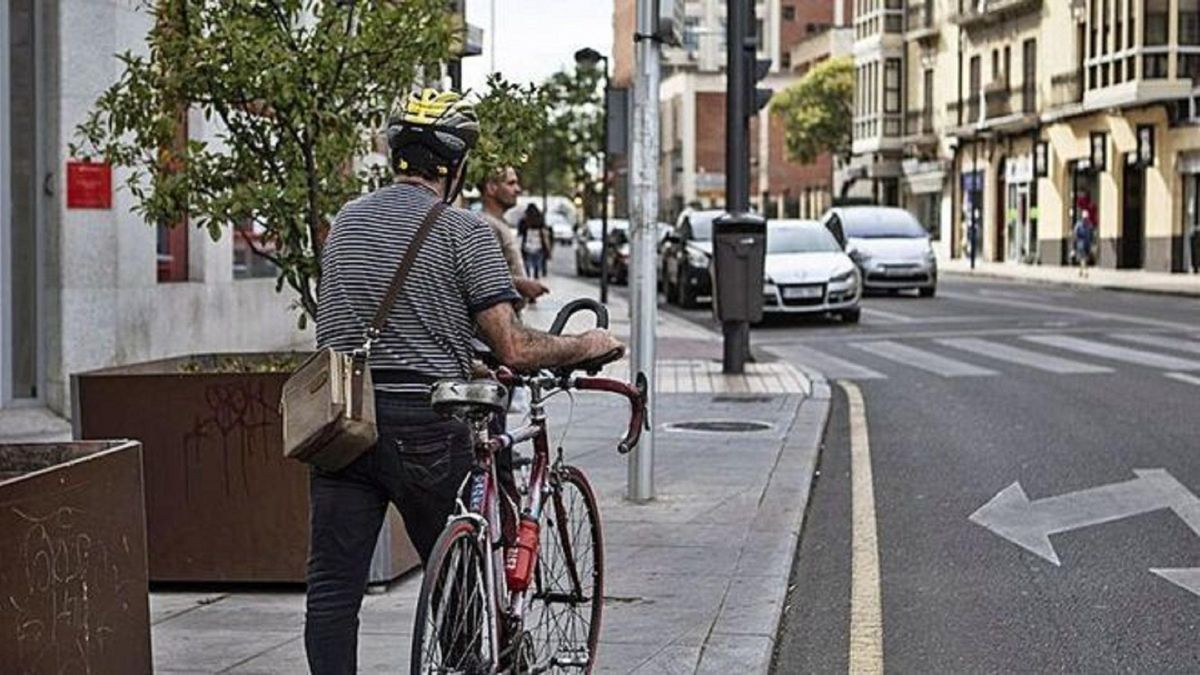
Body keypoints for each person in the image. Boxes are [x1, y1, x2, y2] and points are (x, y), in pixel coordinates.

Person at [308, 88, 623, 675]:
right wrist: (587, 344)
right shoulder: (466, 232)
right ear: (454, 167)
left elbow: (353, 322)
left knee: (332, 592)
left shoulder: (347, 222)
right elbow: (514, 346)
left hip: (343, 419)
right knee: (457, 584)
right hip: (428, 425)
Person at [478, 167, 548, 305]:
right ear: (491, 188)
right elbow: (483, 277)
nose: (518, 189)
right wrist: (520, 284)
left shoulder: (498, 222)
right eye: (511, 183)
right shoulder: (485, 225)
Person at [519, 203, 552, 279]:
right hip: (539, 244)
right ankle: (536, 274)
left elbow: (520, 233)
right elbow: (545, 234)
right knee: (537, 262)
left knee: (527, 261)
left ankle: (528, 275)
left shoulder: (525, 221)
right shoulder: (540, 220)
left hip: (527, 244)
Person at [1073, 209, 1095, 277]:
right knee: (1084, 258)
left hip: (1085, 244)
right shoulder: (1080, 225)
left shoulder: (1088, 225)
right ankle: (1085, 272)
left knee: (1084, 258)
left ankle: (1081, 271)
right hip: (1082, 243)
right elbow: (1076, 235)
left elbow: (1091, 235)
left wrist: (1091, 244)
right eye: (1085, 218)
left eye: (1086, 218)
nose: (1085, 219)